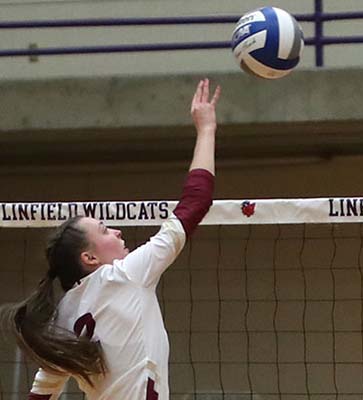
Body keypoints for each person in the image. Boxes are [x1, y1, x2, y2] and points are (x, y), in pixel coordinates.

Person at [1, 79, 220, 399]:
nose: (117, 231)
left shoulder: (63, 317)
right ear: (89, 258)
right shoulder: (127, 273)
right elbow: (196, 202)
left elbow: (40, 395)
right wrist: (207, 129)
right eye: (104, 230)